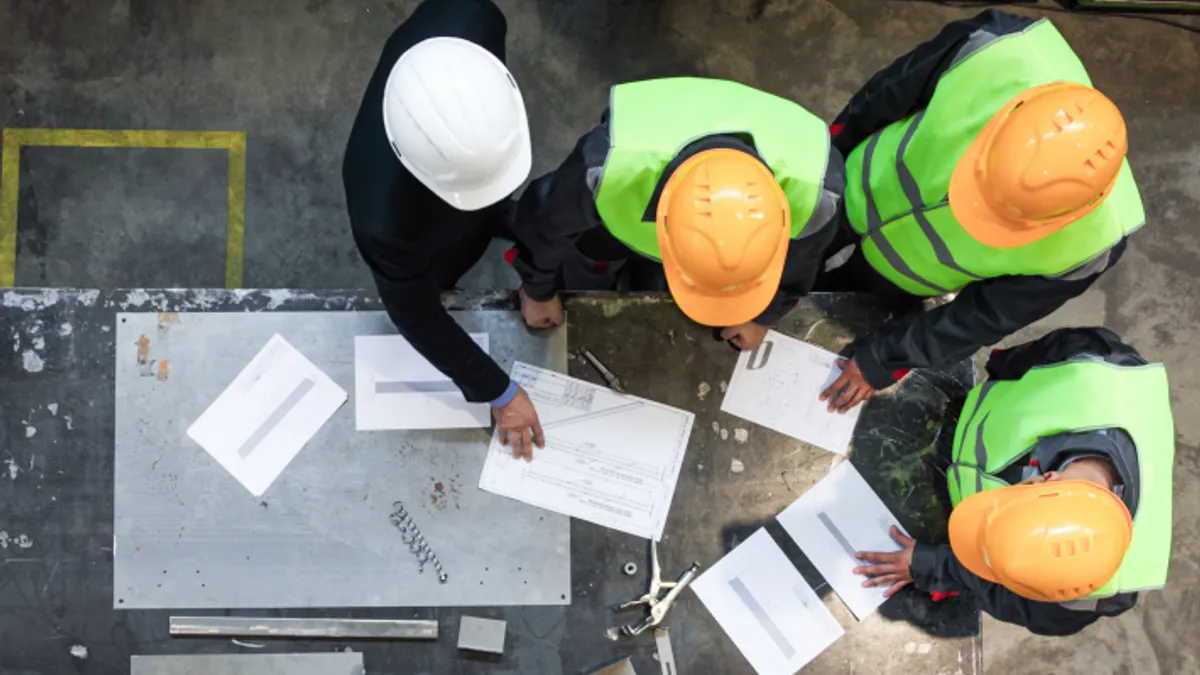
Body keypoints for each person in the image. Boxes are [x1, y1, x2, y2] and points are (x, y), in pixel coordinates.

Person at [818, 10, 1146, 412]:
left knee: (841, 303)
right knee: (800, 247)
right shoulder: (996, 51)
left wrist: (883, 360)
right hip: (858, 182)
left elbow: (980, 317)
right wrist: (825, 164)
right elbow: (884, 94)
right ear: (1001, 123)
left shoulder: (1091, 246)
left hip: (906, 273)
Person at [854, 327, 1174, 636]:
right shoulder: (1096, 365)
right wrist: (999, 369)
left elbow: (1012, 597)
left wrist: (934, 565)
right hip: (958, 414)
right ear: (1046, 477)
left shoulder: (1089, 591)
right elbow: (1018, 361)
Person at [343, 0, 545, 459]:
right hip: (419, 227)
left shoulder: (475, 18)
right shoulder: (386, 222)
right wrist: (502, 393)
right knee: (439, 278)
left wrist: (539, 273)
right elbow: (417, 315)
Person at [511, 77, 844, 350]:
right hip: (611, 227)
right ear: (661, 222)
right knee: (588, 270)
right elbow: (542, 223)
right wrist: (538, 291)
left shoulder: (816, 194)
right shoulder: (608, 170)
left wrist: (760, 316)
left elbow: (800, 267)